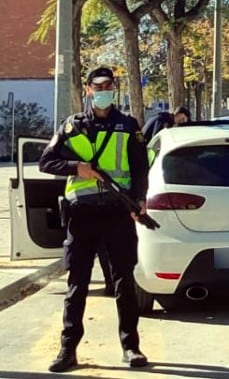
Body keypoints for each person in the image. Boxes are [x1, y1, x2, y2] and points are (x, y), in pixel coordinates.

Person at [38, 66, 149, 372]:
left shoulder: (128, 125)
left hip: (117, 212)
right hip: (82, 215)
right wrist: (77, 167)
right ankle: (67, 349)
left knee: (125, 283)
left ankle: (131, 347)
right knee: (77, 284)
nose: (104, 90)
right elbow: (46, 161)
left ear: (115, 89)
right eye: (98, 85)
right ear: (87, 90)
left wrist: (139, 200)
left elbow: (140, 167)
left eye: (109, 85)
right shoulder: (73, 126)